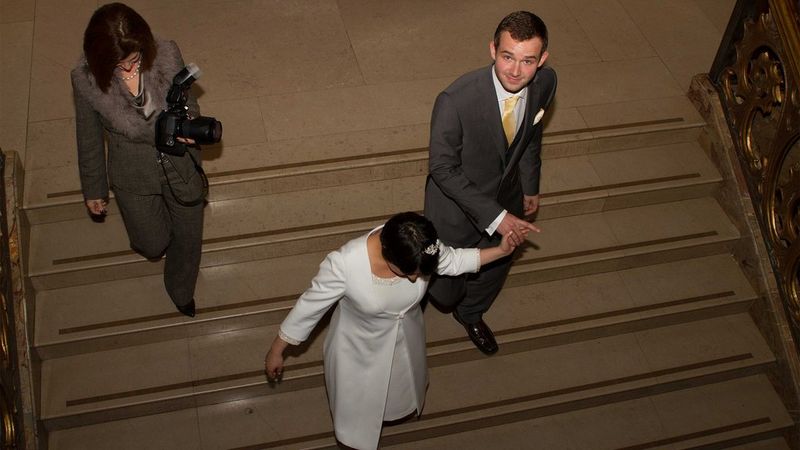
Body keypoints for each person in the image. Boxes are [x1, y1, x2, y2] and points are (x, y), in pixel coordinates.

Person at [264, 212, 526, 449]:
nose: (415, 280)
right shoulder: (345, 264)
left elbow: (454, 261)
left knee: (399, 386)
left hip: (406, 337)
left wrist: (502, 251)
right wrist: (278, 349)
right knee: (358, 411)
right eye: (409, 273)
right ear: (387, 253)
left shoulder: (420, 245)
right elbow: (309, 307)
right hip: (357, 349)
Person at [423, 11, 557, 354]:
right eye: (507, 57)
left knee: (497, 265)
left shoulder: (545, 83)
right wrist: (496, 217)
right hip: (455, 209)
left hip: (509, 196)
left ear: (542, 59)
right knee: (444, 282)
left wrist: (530, 184)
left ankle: (471, 314)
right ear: (492, 50)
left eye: (528, 61)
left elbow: (531, 137)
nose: (515, 71)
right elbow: (442, 168)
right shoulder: (456, 100)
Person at [71, 3, 206, 317]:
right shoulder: (85, 80)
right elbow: (87, 134)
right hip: (133, 174)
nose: (131, 71)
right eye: (120, 66)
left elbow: (190, 102)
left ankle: (180, 290)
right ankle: (159, 243)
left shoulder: (167, 53)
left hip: (180, 164)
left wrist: (188, 124)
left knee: (188, 240)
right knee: (151, 243)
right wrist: (93, 188)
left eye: (136, 60)